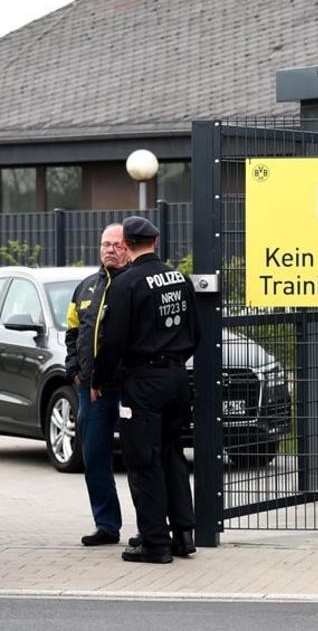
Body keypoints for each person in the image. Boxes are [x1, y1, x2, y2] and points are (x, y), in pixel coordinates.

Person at [92, 216, 197, 564]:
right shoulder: (178, 278)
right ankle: (184, 534)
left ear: (127, 245)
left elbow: (114, 341)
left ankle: (155, 543)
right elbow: (195, 332)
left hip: (143, 382)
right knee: (172, 454)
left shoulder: (127, 284)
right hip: (178, 378)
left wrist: (100, 379)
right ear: (154, 240)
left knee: (142, 461)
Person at [67, 223, 129, 546]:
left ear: (129, 247)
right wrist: (74, 369)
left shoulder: (134, 284)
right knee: (93, 455)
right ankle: (107, 524)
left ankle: (153, 526)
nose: (109, 250)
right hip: (91, 388)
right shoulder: (86, 288)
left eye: (116, 244)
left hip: (129, 386)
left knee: (143, 457)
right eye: (105, 244)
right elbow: (72, 333)